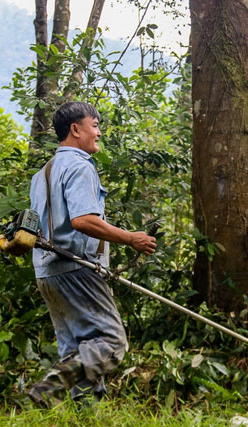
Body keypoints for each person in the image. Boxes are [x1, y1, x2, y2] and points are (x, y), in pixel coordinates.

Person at [27, 101, 156, 405]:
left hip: (47, 272)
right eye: (95, 125)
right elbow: (82, 220)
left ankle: (83, 414)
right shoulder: (79, 166)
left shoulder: (42, 173)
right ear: (75, 129)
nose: (99, 132)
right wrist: (130, 238)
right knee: (111, 343)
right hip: (76, 268)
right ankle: (49, 387)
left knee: (77, 349)